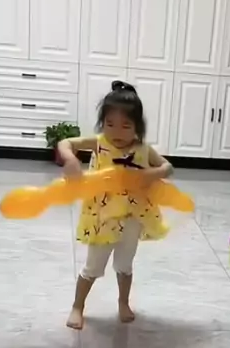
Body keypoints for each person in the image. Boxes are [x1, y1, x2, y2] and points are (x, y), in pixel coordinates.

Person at [58, 81, 173, 330]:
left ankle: (123, 302)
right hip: (102, 218)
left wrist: (152, 174)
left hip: (132, 218)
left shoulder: (143, 149)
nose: (117, 132)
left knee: (125, 265)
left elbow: (168, 167)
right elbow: (66, 143)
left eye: (125, 126)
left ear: (138, 127)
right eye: (110, 124)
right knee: (92, 266)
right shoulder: (99, 143)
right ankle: (77, 306)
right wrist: (70, 159)